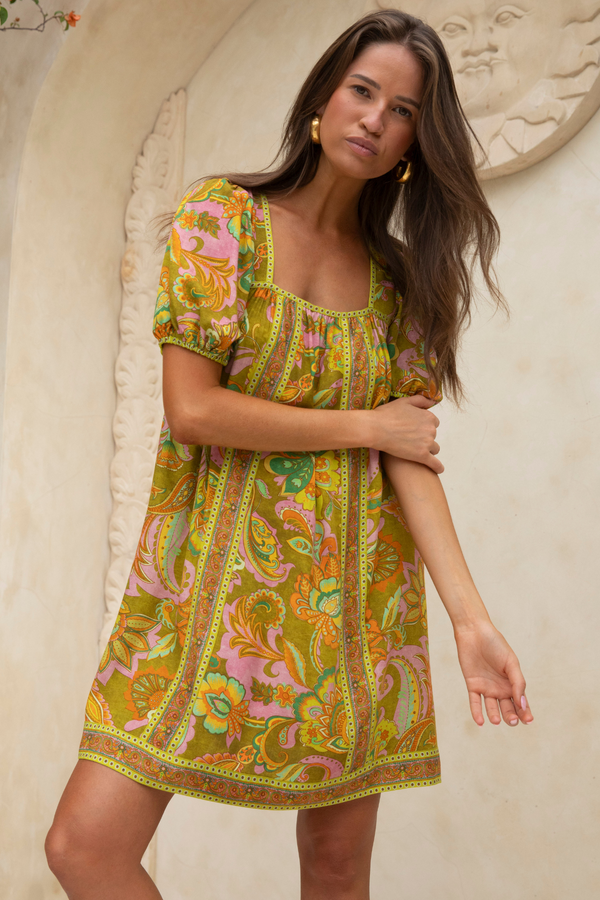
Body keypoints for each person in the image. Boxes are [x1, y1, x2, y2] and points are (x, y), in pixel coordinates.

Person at [45, 8, 534, 900]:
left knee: (336, 870)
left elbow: (410, 459)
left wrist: (470, 620)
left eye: (402, 111)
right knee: (84, 846)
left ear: (414, 145)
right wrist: (364, 425)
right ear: (322, 97)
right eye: (361, 90)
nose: (374, 119)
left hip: (351, 598)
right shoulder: (219, 222)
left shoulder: (402, 287)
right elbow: (193, 411)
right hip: (197, 588)